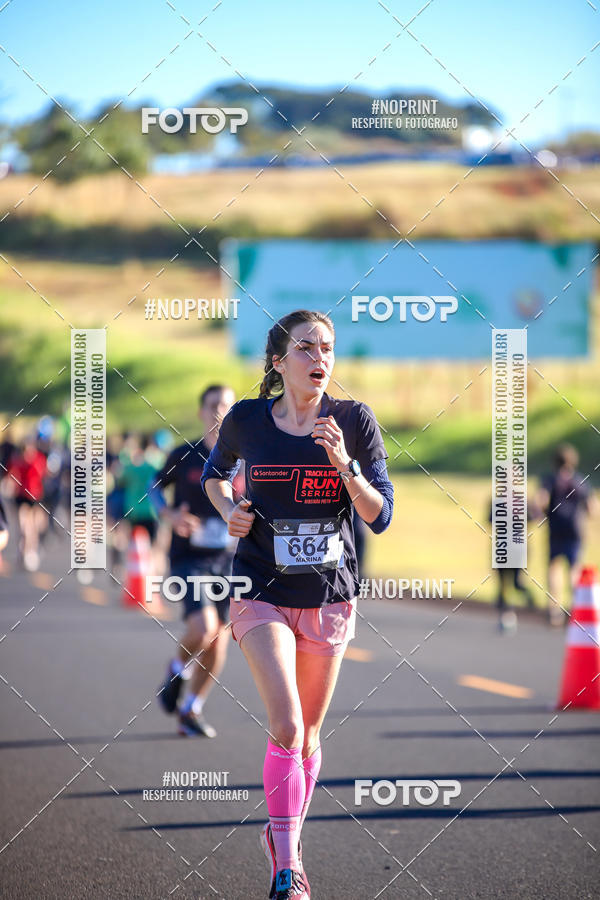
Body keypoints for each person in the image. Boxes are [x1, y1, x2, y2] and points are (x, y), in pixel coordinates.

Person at [202, 310, 394, 900]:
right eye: (307, 348)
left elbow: (379, 515)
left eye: (328, 348)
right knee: (285, 724)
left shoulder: (354, 421)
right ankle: (288, 867)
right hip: (261, 589)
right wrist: (225, 509)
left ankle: (280, 832)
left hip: (328, 596)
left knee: (308, 736)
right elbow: (216, 477)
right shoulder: (246, 420)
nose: (321, 358)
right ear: (279, 362)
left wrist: (344, 467)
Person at [153, 385, 240, 738]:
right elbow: (154, 485)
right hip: (189, 557)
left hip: (231, 561)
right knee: (203, 629)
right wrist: (170, 514)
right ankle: (178, 670)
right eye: (214, 405)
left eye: (227, 406)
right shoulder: (184, 453)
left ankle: (191, 708)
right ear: (201, 412)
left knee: (218, 641)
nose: (220, 411)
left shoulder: (245, 457)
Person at [536, 443, 597, 625]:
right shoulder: (580, 481)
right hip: (575, 530)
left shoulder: (550, 480)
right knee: (573, 569)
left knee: (554, 569)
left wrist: (540, 514)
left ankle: (554, 611)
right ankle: (574, 609)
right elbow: (592, 508)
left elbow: (541, 500)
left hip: (556, 529)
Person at [6, 438, 48, 571]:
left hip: (35, 497)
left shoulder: (39, 460)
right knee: (24, 525)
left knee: (33, 526)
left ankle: (31, 550)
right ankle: (23, 550)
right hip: (22, 496)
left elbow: (44, 474)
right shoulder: (18, 461)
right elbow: (11, 474)